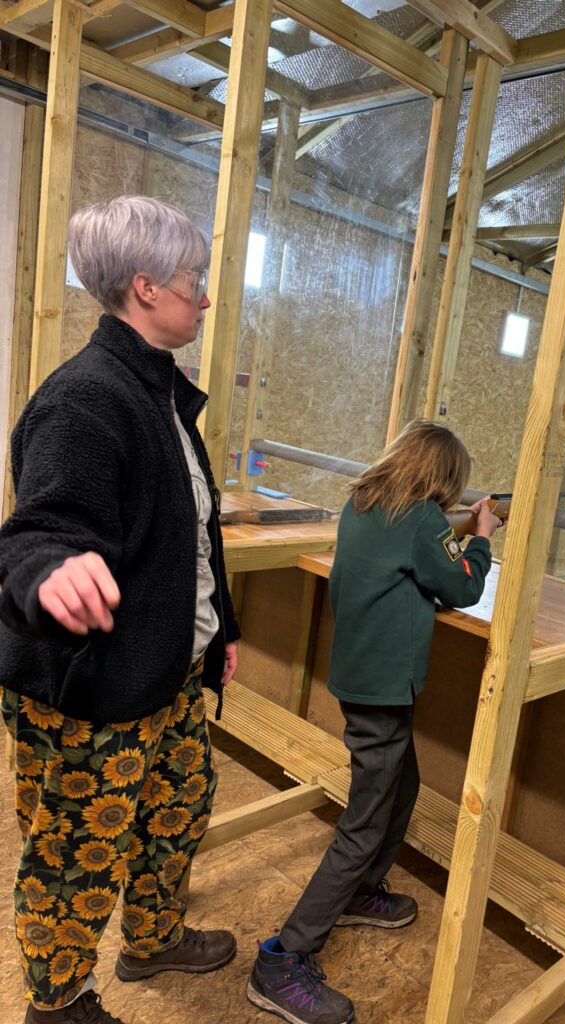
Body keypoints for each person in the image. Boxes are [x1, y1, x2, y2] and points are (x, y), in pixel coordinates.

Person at [0, 196, 241, 1024]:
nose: (204, 296)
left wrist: (221, 629)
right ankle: (58, 1004)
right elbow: (38, 532)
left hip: (165, 673)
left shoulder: (159, 391)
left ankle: (153, 937)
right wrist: (51, 571)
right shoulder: (85, 400)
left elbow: (193, 532)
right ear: (146, 287)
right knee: (78, 855)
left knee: (180, 806)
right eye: (193, 279)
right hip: (92, 687)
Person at [247, 420, 501, 1024]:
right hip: (383, 690)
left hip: (361, 677)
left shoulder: (363, 503)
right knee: (361, 826)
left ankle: (361, 891)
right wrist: (482, 536)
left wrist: (457, 531)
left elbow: (408, 560)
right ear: (442, 477)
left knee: (403, 785)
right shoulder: (421, 519)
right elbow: (462, 586)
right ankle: (284, 957)